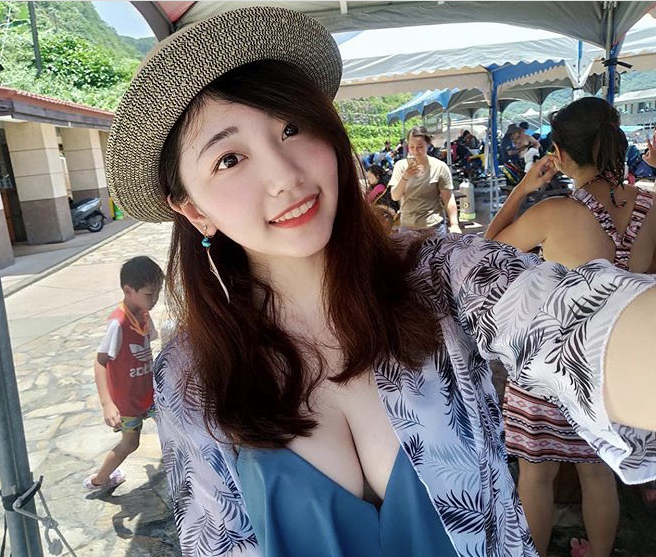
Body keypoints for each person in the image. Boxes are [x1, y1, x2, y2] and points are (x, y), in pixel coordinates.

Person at [106, 7, 656, 557]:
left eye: (291, 128)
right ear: (194, 210)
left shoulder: (443, 277)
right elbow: (217, 540)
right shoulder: (190, 377)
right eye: (229, 159)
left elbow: (573, 319)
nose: (285, 176)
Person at [485, 97, 656, 557]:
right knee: (598, 473)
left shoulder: (556, 212)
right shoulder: (650, 205)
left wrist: (523, 188)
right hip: (612, 368)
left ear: (559, 154)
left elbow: (488, 251)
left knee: (535, 474)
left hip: (551, 364)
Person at [83, 256, 164, 491]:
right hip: (127, 401)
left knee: (172, 426)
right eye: (150, 294)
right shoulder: (118, 324)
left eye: (157, 293)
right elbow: (100, 362)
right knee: (130, 444)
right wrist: (107, 404)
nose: (155, 299)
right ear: (128, 291)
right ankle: (99, 479)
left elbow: (151, 338)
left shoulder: (143, 313)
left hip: (148, 393)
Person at [389, 126, 461, 234]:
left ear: (428, 144)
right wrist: (405, 177)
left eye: (420, 146)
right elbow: (395, 196)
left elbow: (448, 198)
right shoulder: (400, 166)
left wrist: (454, 224)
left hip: (434, 227)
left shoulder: (439, 167)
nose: (415, 151)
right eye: (411, 147)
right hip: (408, 227)